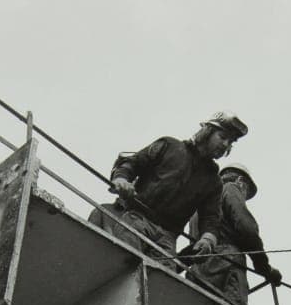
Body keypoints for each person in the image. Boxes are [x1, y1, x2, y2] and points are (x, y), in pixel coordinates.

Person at [88, 112, 248, 263]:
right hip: (137, 220)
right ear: (208, 131)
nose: (226, 144)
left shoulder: (214, 182)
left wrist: (208, 238)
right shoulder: (169, 146)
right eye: (223, 137)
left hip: (168, 239)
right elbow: (132, 163)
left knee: (163, 281)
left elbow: (211, 217)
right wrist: (122, 179)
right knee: (124, 261)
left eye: (231, 142)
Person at [185, 163, 283, 305]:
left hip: (198, 269)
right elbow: (247, 230)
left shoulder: (202, 202)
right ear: (241, 181)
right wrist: (265, 269)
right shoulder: (231, 188)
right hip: (226, 263)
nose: (244, 196)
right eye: (247, 192)